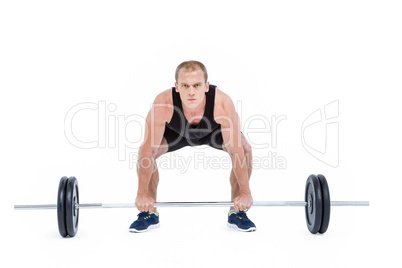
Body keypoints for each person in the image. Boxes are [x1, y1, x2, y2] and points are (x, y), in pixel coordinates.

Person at [129, 60, 255, 232]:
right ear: (177, 87)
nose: (191, 92)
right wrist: (141, 193)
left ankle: (237, 212)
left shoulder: (223, 104)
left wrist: (246, 193)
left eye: (196, 85)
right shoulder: (163, 104)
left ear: (206, 86)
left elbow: (235, 151)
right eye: (185, 85)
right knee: (147, 152)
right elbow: (147, 150)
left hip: (213, 132)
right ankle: (148, 213)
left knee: (245, 149)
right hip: (176, 133)